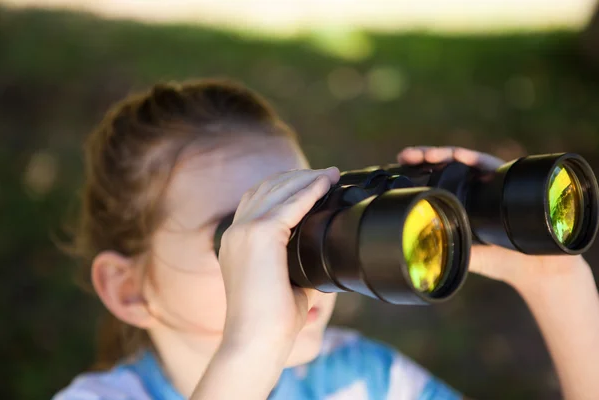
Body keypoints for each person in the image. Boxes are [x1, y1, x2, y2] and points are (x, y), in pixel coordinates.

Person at [53, 79, 599, 400]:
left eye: (306, 216)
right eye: (237, 234)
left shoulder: (368, 381)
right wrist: (249, 353)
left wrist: (554, 280)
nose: (282, 253)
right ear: (128, 290)